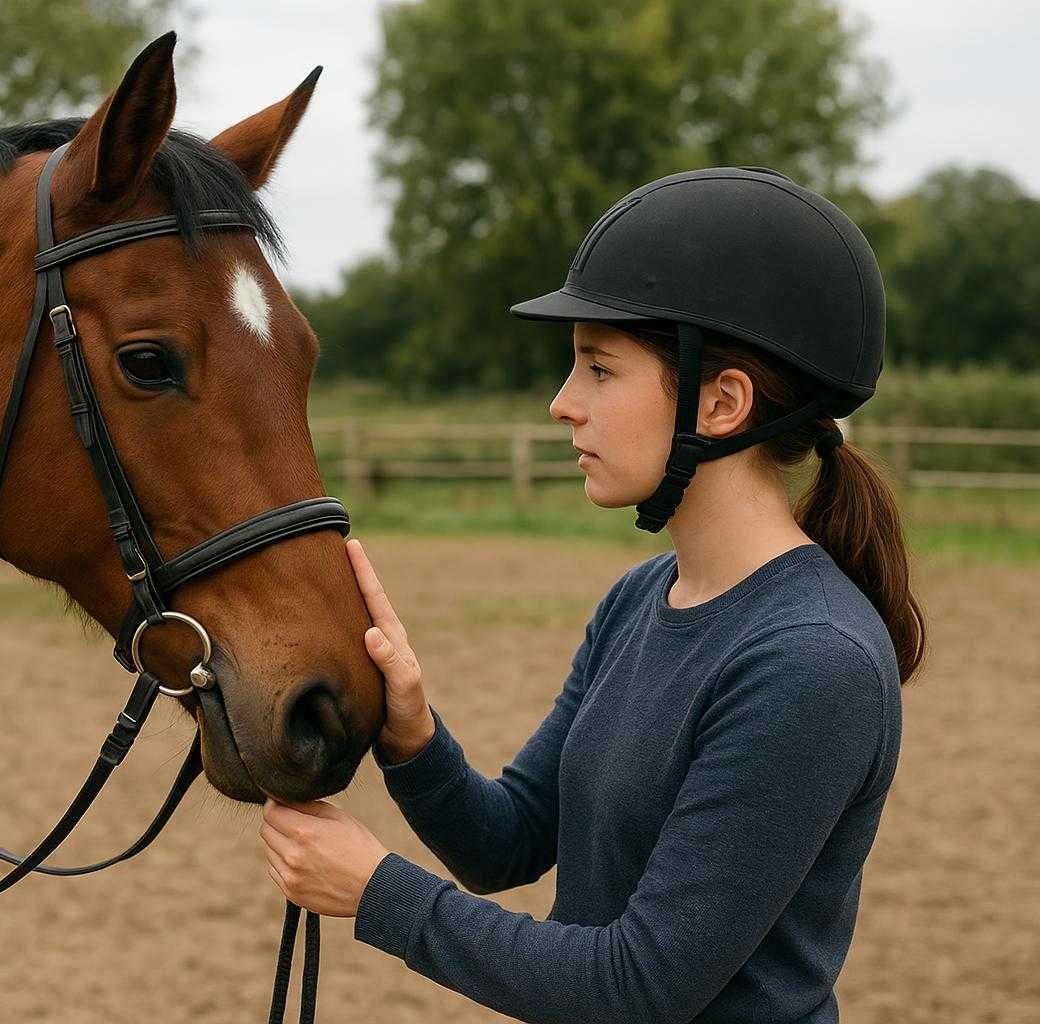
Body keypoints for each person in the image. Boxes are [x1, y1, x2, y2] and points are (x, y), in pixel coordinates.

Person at [258, 167, 924, 1023]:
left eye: (599, 369)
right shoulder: (641, 600)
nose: (561, 404)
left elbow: (637, 986)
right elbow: (509, 841)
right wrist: (408, 730)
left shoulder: (811, 661)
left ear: (722, 404)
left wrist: (378, 892)